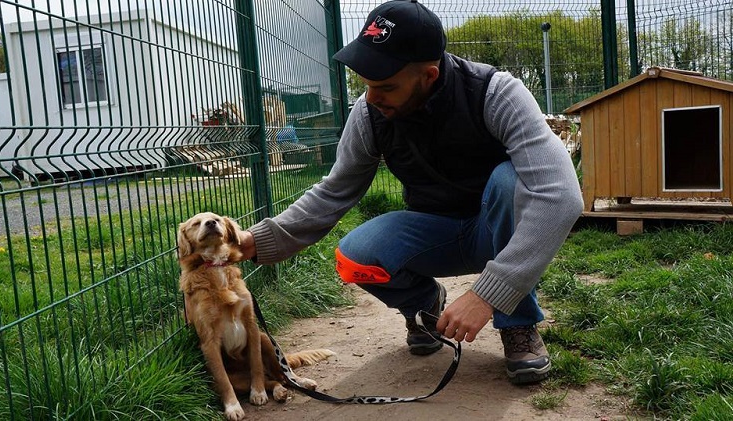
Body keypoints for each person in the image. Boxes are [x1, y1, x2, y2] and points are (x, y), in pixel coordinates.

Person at [238, 0, 583, 384]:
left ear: (429, 75)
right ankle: (424, 307)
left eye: (385, 86)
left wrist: (489, 293)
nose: (371, 97)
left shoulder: (495, 93)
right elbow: (335, 190)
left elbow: (561, 195)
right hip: (434, 232)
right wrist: (257, 240)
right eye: (366, 85)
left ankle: (517, 323)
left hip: (496, 225)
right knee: (356, 255)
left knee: (510, 180)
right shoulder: (368, 113)